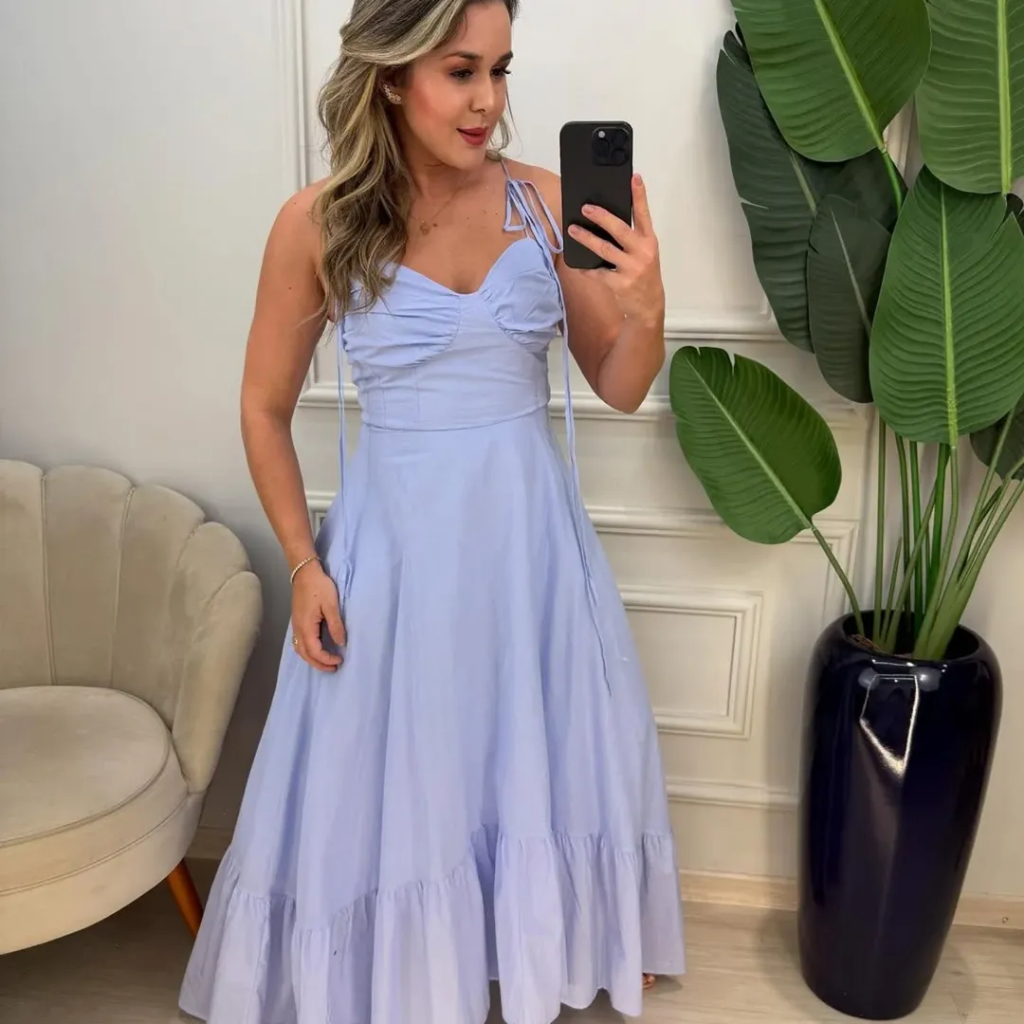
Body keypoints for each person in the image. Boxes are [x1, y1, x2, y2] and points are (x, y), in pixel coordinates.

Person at [179, 1, 685, 1021]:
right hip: (395, 557)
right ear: (392, 73)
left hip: (526, 550)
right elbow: (263, 408)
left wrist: (647, 308)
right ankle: (413, 974)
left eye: (500, 70)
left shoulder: (546, 204)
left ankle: (537, 942)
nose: (488, 100)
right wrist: (304, 564)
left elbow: (622, 384)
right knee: (409, 777)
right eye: (461, 71)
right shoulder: (317, 224)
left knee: (522, 755)